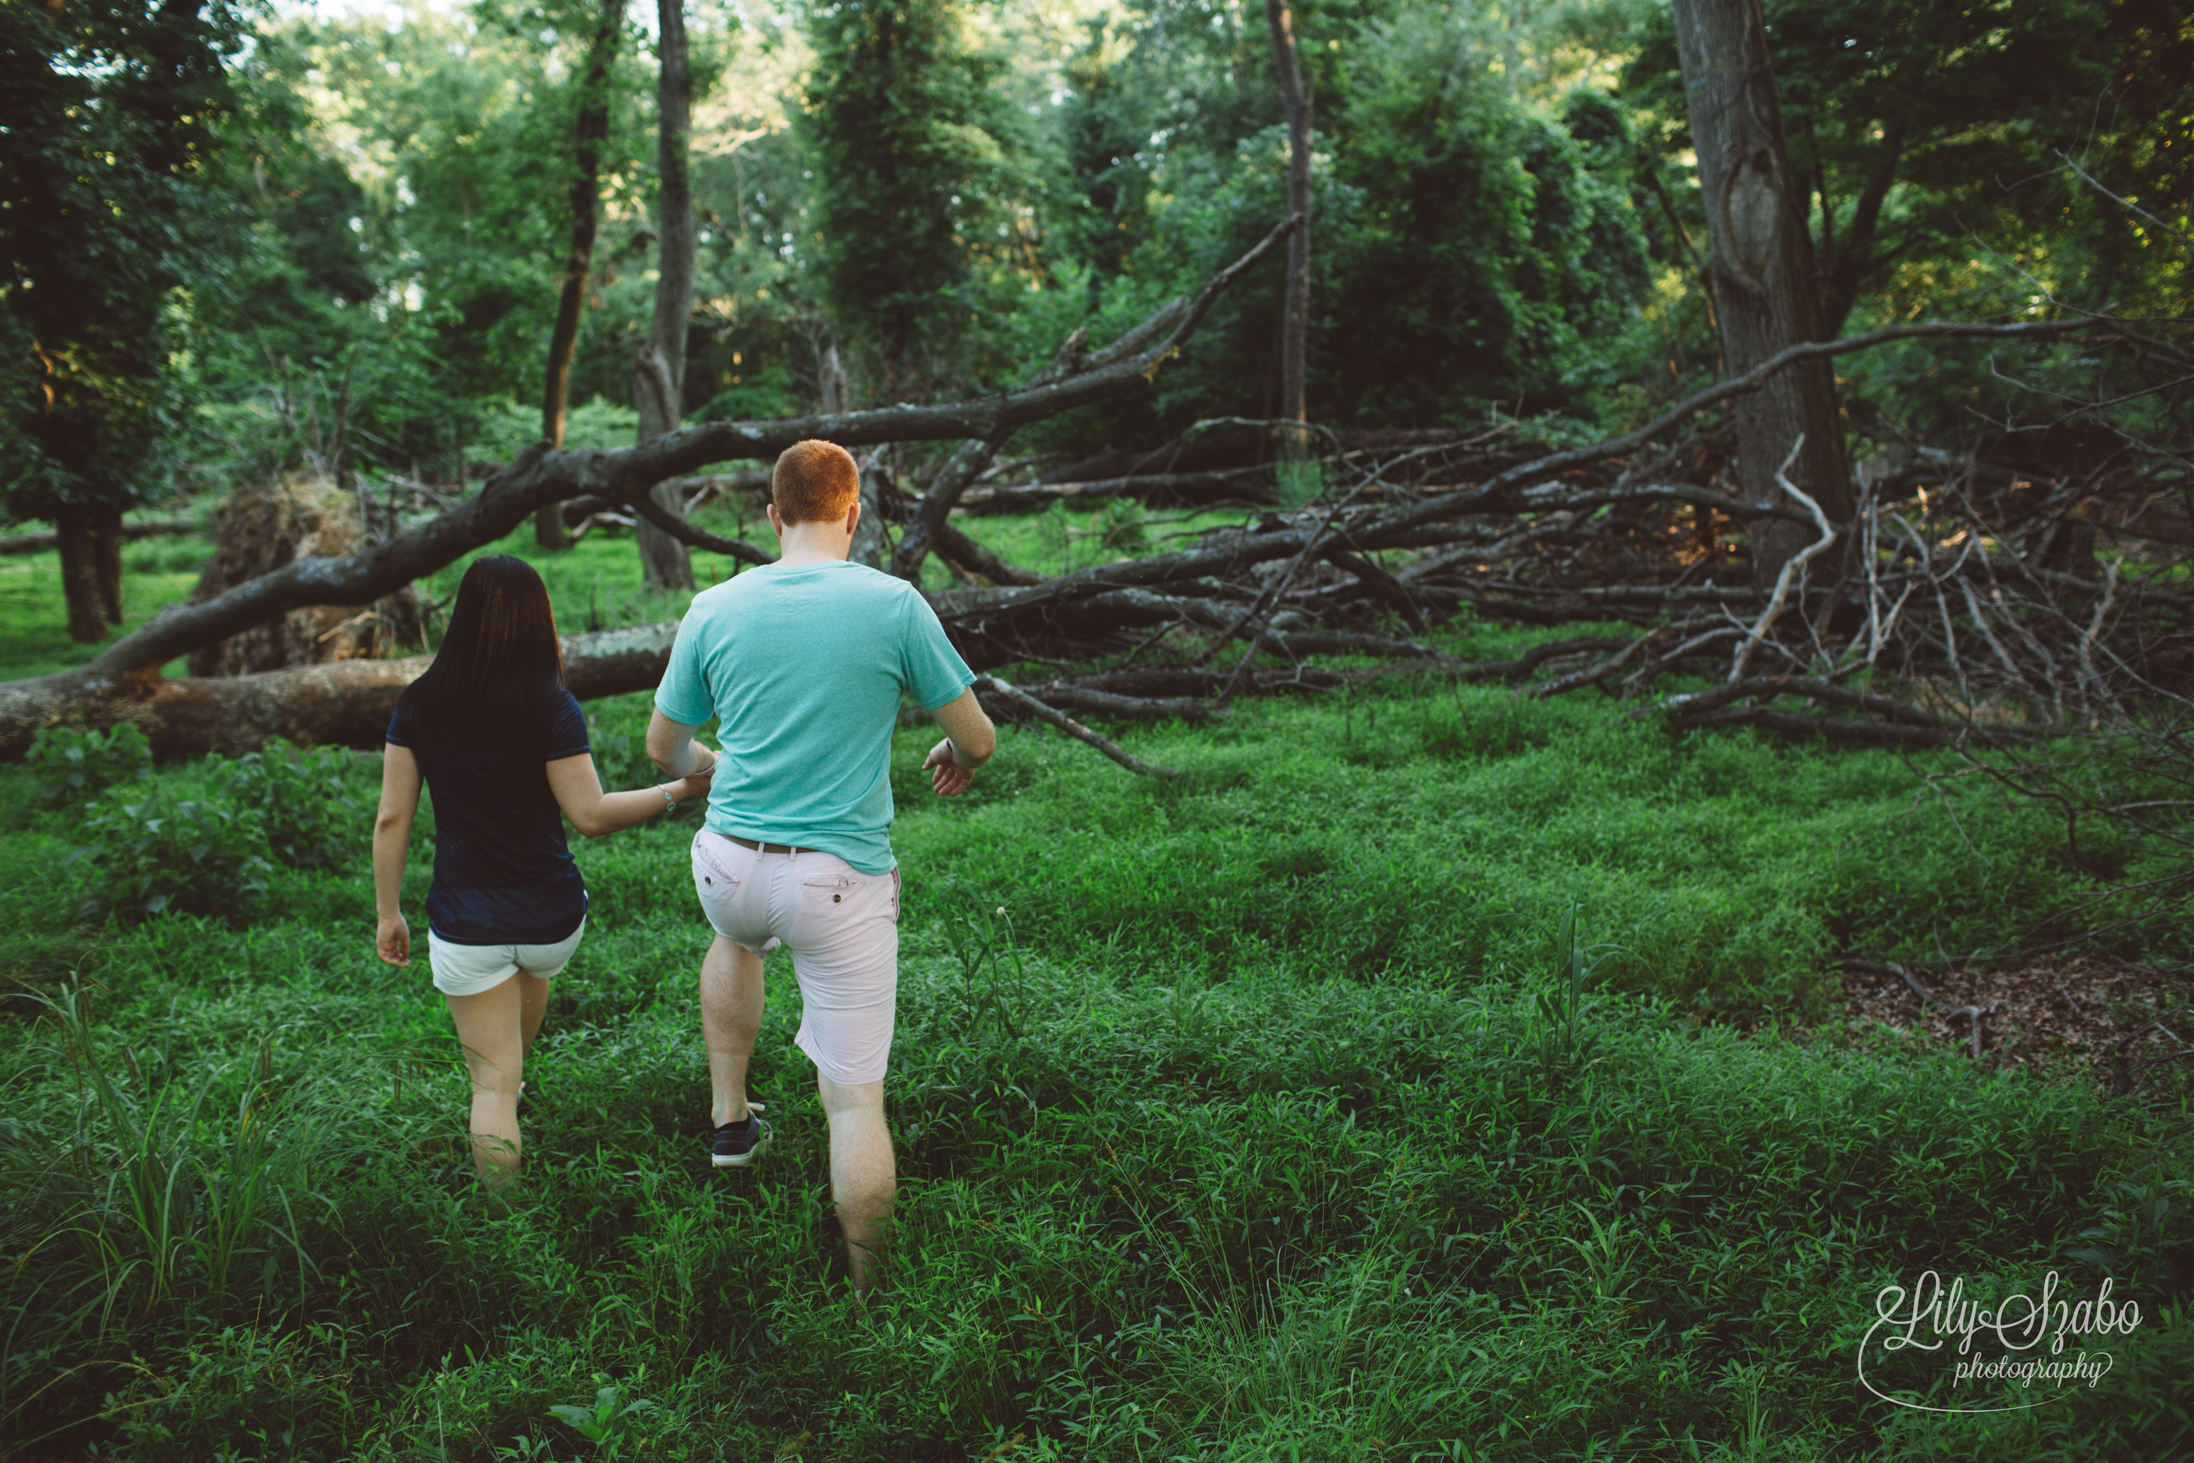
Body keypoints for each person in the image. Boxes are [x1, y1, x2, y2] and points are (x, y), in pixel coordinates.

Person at [647, 438, 996, 1293]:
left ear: (772, 517)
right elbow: (980, 737)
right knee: (853, 1103)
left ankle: (731, 1117)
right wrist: (955, 747)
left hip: (727, 869)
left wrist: (718, 766)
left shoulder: (714, 605)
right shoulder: (893, 603)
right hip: (837, 883)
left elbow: (664, 748)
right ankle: (873, 1296)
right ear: (854, 513)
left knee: (737, 937)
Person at [372, 555, 719, 1188]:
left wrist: (387, 911)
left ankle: (504, 1241)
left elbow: (393, 818)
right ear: (541, 622)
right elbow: (590, 814)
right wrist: (682, 788)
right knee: (513, 1067)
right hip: (549, 919)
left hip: (465, 923)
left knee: (492, 1086)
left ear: (461, 616)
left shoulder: (420, 703)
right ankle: (512, 1097)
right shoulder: (551, 706)